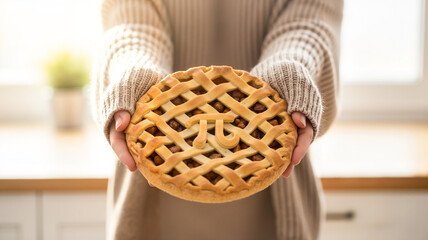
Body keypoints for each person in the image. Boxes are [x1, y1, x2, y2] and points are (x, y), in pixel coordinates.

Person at [92, 0, 343, 239]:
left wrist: (288, 74)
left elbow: (311, 21)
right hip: (154, 189)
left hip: (275, 194)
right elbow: (131, 20)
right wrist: (135, 71)